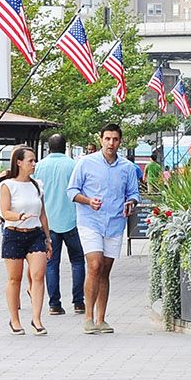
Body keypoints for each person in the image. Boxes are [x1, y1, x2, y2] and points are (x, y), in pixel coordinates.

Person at [68, 123, 141, 334]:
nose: (111, 143)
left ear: (120, 141)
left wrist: (131, 203)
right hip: (90, 221)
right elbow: (72, 190)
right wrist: (88, 200)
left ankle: (101, 318)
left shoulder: (127, 167)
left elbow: (133, 194)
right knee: (95, 264)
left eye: (115, 139)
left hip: (115, 223)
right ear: (101, 139)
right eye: (107, 139)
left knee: (105, 270)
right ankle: (88, 317)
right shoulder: (85, 163)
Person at [0, 145, 48, 336]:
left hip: (35, 234)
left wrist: (48, 238)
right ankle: (14, 319)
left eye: (34, 160)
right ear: (19, 162)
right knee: (15, 278)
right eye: (30, 160)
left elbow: (42, 213)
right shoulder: (7, 185)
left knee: (38, 275)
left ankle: (37, 318)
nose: (34, 164)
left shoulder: (37, 185)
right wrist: (18, 216)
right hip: (14, 233)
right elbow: (4, 210)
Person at [33, 133, 84, 315]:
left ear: (49, 147)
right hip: (72, 219)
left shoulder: (38, 166)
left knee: (51, 263)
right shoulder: (73, 165)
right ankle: (78, 302)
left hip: (48, 222)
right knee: (77, 261)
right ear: (65, 146)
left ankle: (54, 304)